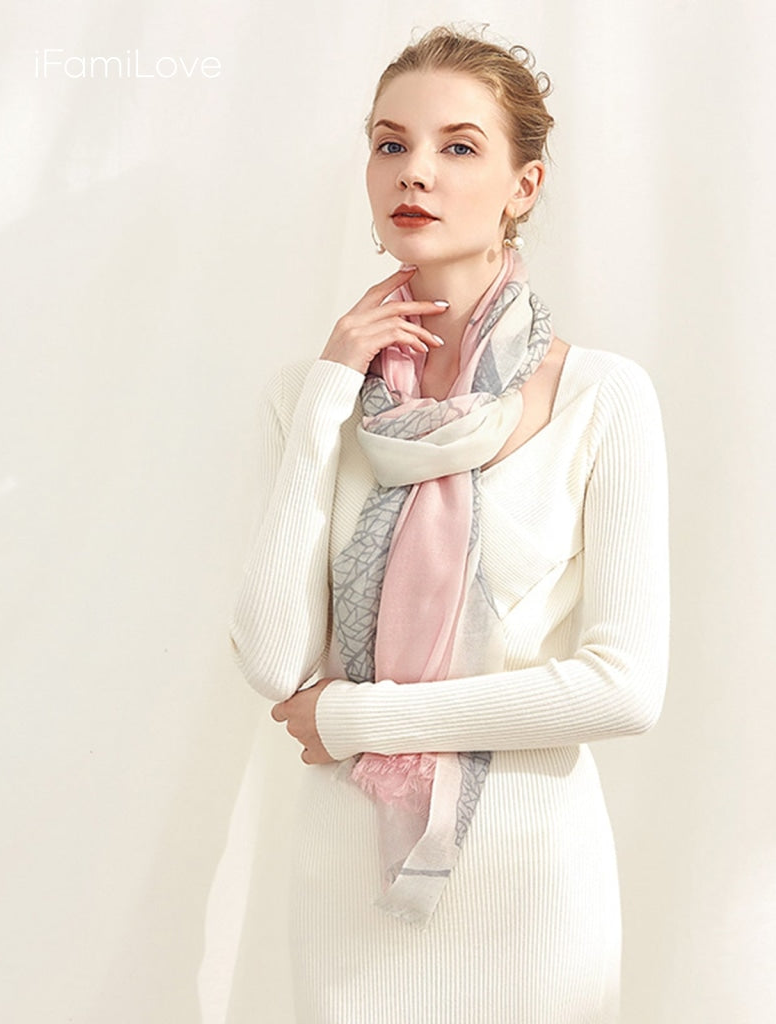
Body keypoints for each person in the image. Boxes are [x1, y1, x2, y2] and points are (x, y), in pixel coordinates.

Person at [230, 25, 670, 1024]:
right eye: (390, 143)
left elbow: (625, 687)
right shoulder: (306, 397)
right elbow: (273, 660)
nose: (414, 171)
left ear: (524, 184)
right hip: (343, 878)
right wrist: (329, 393)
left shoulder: (603, 397)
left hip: (531, 882)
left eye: (458, 146)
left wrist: (360, 719)